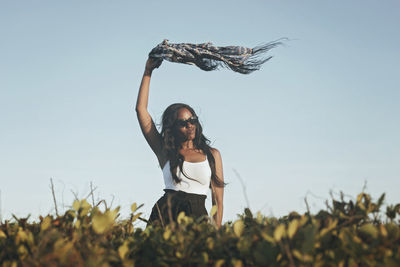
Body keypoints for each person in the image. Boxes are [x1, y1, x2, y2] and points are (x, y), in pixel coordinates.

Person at [135, 57, 225, 228]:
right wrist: (148, 71)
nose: (190, 125)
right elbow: (141, 110)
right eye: (183, 123)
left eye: (192, 120)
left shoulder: (212, 155)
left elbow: (218, 202)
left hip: (197, 217)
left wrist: (216, 235)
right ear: (173, 128)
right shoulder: (165, 151)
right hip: (165, 215)